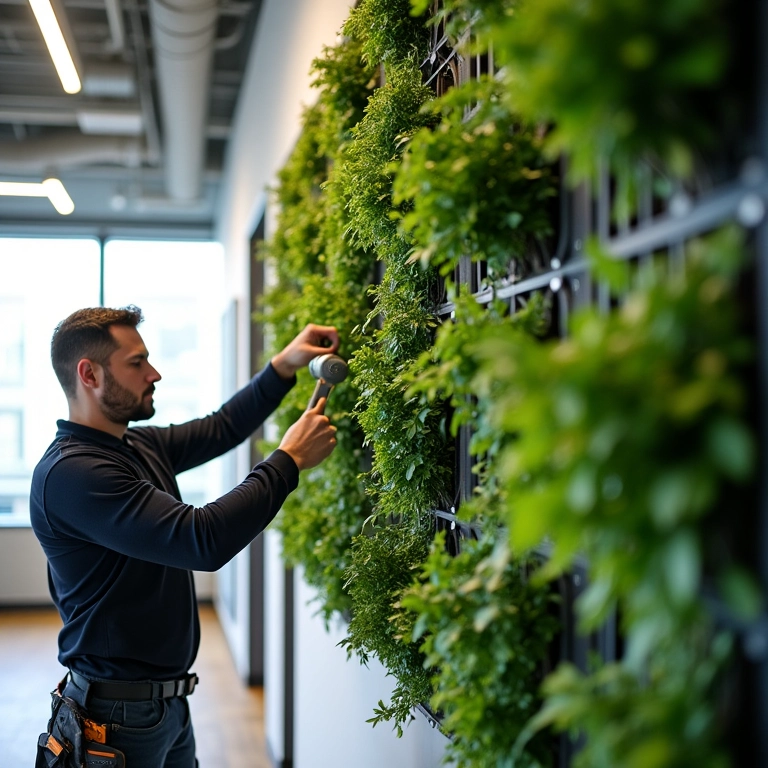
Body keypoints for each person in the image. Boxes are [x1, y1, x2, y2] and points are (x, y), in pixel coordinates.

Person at [30, 305, 339, 767]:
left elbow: (223, 426)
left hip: (163, 707)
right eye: (136, 363)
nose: (153, 373)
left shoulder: (134, 445)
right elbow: (202, 539)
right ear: (88, 374)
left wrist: (284, 365)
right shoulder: (73, 474)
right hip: (115, 719)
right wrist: (288, 460)